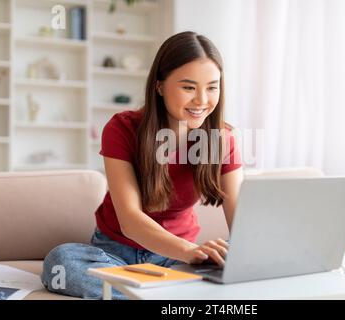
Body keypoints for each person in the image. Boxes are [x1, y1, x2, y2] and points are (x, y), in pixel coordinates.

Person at [41, 31, 243, 299]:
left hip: (177, 261)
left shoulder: (223, 139)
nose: (202, 100)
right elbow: (131, 221)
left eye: (212, 87)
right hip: (114, 253)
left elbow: (242, 220)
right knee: (62, 260)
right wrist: (188, 251)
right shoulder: (122, 128)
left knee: (235, 253)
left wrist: (241, 256)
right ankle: (167, 295)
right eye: (188, 87)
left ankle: (146, 293)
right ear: (159, 86)